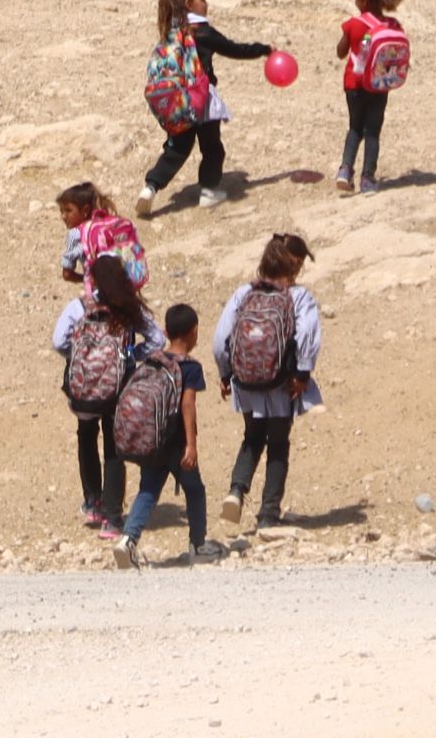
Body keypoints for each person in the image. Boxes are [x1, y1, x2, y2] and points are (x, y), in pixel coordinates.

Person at [217, 231, 324, 534]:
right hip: (281, 384)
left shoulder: (243, 294)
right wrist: (302, 375)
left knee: (252, 438)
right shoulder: (299, 297)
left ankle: (236, 491)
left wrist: (226, 374)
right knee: (277, 444)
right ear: (295, 264)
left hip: (246, 383)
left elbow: (220, 338)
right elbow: (307, 337)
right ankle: (268, 514)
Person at [138, 0, 276, 213]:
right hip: (203, 102)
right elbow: (234, 48)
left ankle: (150, 187)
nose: (206, 4)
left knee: (177, 149)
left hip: (178, 102)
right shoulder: (202, 32)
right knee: (212, 147)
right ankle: (209, 191)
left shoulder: (171, 33)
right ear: (187, 4)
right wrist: (263, 49)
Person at [54, 250, 149, 531]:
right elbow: (157, 339)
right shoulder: (128, 308)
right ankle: (112, 517)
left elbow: (58, 340)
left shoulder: (79, 306)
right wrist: (131, 356)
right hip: (115, 389)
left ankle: (92, 502)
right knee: (113, 446)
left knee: (86, 437)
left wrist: (80, 358)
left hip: (83, 391)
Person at [116, 300, 213, 566]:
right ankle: (198, 545)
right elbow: (188, 404)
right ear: (193, 331)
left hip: (152, 440)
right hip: (177, 443)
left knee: (147, 490)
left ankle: (128, 540)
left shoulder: (151, 361)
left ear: (167, 332)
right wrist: (191, 446)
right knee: (195, 490)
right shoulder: (190, 368)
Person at [334, 0, 411, 194]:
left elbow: (341, 52)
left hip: (354, 85)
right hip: (379, 84)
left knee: (355, 128)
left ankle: (345, 171)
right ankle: (368, 179)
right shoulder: (393, 24)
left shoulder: (354, 24)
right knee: (373, 132)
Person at [54, 180, 142, 295]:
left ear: (85, 210)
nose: (63, 216)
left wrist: (89, 280)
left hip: (100, 294)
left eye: (68, 210)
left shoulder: (75, 234)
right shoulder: (112, 225)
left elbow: (67, 274)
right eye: (61, 211)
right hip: (126, 290)